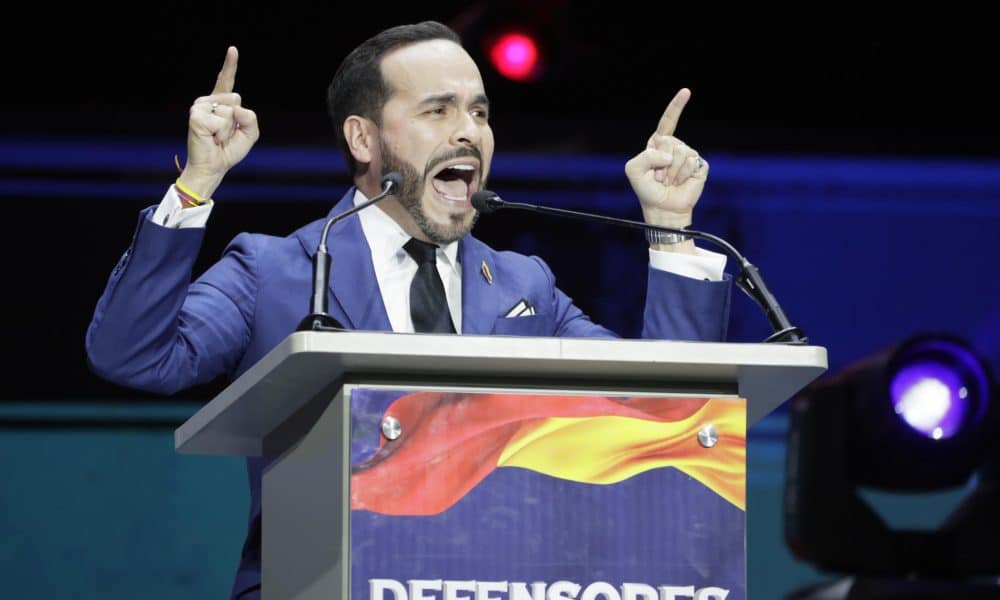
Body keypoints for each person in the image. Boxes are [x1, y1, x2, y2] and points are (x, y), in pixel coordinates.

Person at [85, 21, 731, 599]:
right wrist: (196, 184)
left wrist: (671, 228)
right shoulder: (275, 272)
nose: (467, 132)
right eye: (438, 110)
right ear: (364, 138)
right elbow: (135, 355)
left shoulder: (522, 286)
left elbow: (665, 409)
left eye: (479, 112)